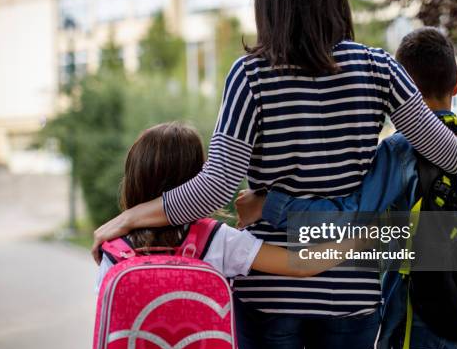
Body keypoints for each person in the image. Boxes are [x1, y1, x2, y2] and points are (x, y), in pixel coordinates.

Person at [92, 0, 457, 349]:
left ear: (268, 0)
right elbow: (454, 157)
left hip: (270, 294)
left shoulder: (250, 76)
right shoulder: (380, 69)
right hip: (350, 291)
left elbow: (214, 189)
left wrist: (129, 216)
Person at [235, 27, 457, 349]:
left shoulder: (400, 152)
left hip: (416, 313)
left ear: (405, 90)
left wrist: (268, 205)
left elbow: (347, 218)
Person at [96, 122, 371, 291]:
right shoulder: (217, 239)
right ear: (196, 179)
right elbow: (301, 265)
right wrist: (368, 238)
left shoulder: (115, 249)